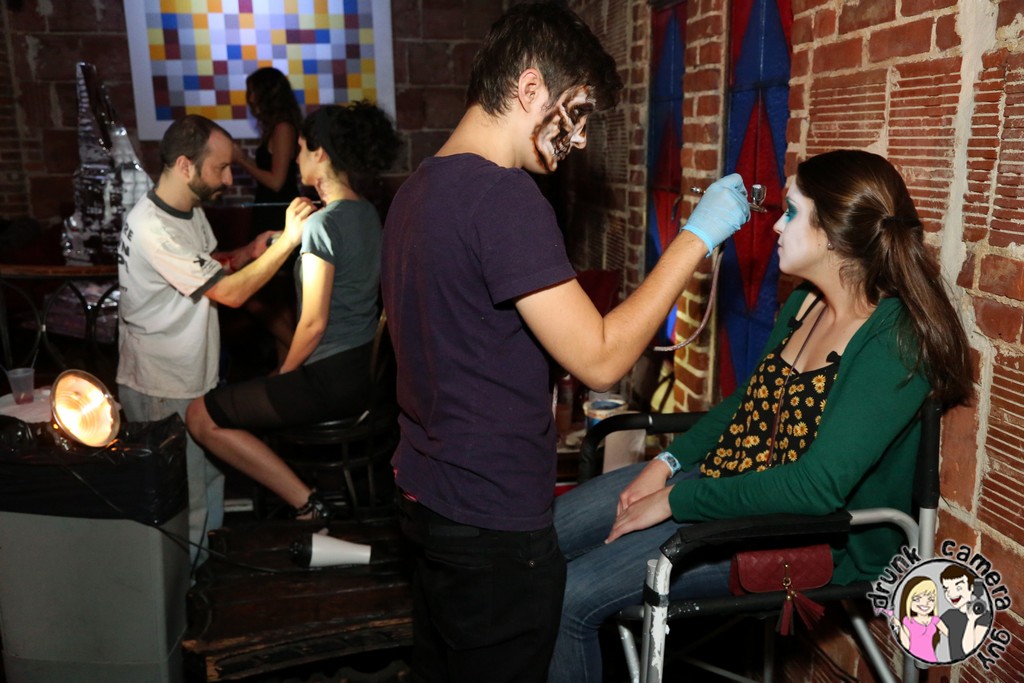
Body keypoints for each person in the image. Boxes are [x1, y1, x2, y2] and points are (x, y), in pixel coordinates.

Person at [379, 3, 750, 682]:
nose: (578, 139)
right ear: (530, 89)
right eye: (575, 112)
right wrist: (696, 237)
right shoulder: (505, 197)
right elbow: (601, 357)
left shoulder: (418, 188)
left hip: (429, 500)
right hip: (491, 521)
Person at [549, 149, 974, 682]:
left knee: (571, 597)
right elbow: (747, 403)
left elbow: (815, 488)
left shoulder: (894, 339)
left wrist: (676, 500)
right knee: (539, 539)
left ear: (832, 233)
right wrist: (668, 464)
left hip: (809, 535)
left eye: (791, 212)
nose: (774, 225)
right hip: (730, 484)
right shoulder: (805, 304)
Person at [186, 102, 400, 520]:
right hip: (363, 374)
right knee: (254, 385)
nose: (297, 158)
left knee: (199, 415)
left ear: (320, 153)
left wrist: (284, 375)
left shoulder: (323, 224)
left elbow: (314, 323)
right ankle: (313, 494)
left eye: (301, 148)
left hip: (329, 379)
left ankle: (309, 504)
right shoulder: (366, 212)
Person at [117, 114, 314, 564]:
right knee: (181, 508)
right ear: (185, 166)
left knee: (208, 488)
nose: (228, 179)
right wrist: (288, 243)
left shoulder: (186, 211)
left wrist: (245, 253)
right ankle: (183, 597)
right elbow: (229, 294)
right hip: (160, 386)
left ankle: (208, 581)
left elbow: (206, 265)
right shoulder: (154, 227)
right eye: (221, 168)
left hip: (191, 379)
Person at [231, 67, 304, 365]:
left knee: (262, 299)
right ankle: (287, 368)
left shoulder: (284, 127)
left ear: (266, 93)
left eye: (252, 92)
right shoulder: (276, 127)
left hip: (277, 216)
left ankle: (300, 357)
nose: (249, 98)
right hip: (269, 215)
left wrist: (241, 159)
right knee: (277, 304)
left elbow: (276, 181)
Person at [939, 564, 991, 660]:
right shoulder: (950, 614)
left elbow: (968, 650)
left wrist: (971, 620)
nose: (951, 594)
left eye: (958, 588)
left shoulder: (984, 616)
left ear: (971, 587)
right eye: (947, 589)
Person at [891, 576, 946, 662]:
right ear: (908, 600)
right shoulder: (908, 621)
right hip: (913, 658)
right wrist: (899, 626)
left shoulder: (935, 620)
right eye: (917, 599)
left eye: (931, 599)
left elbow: (951, 635)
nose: (925, 603)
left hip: (931, 658)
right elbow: (906, 645)